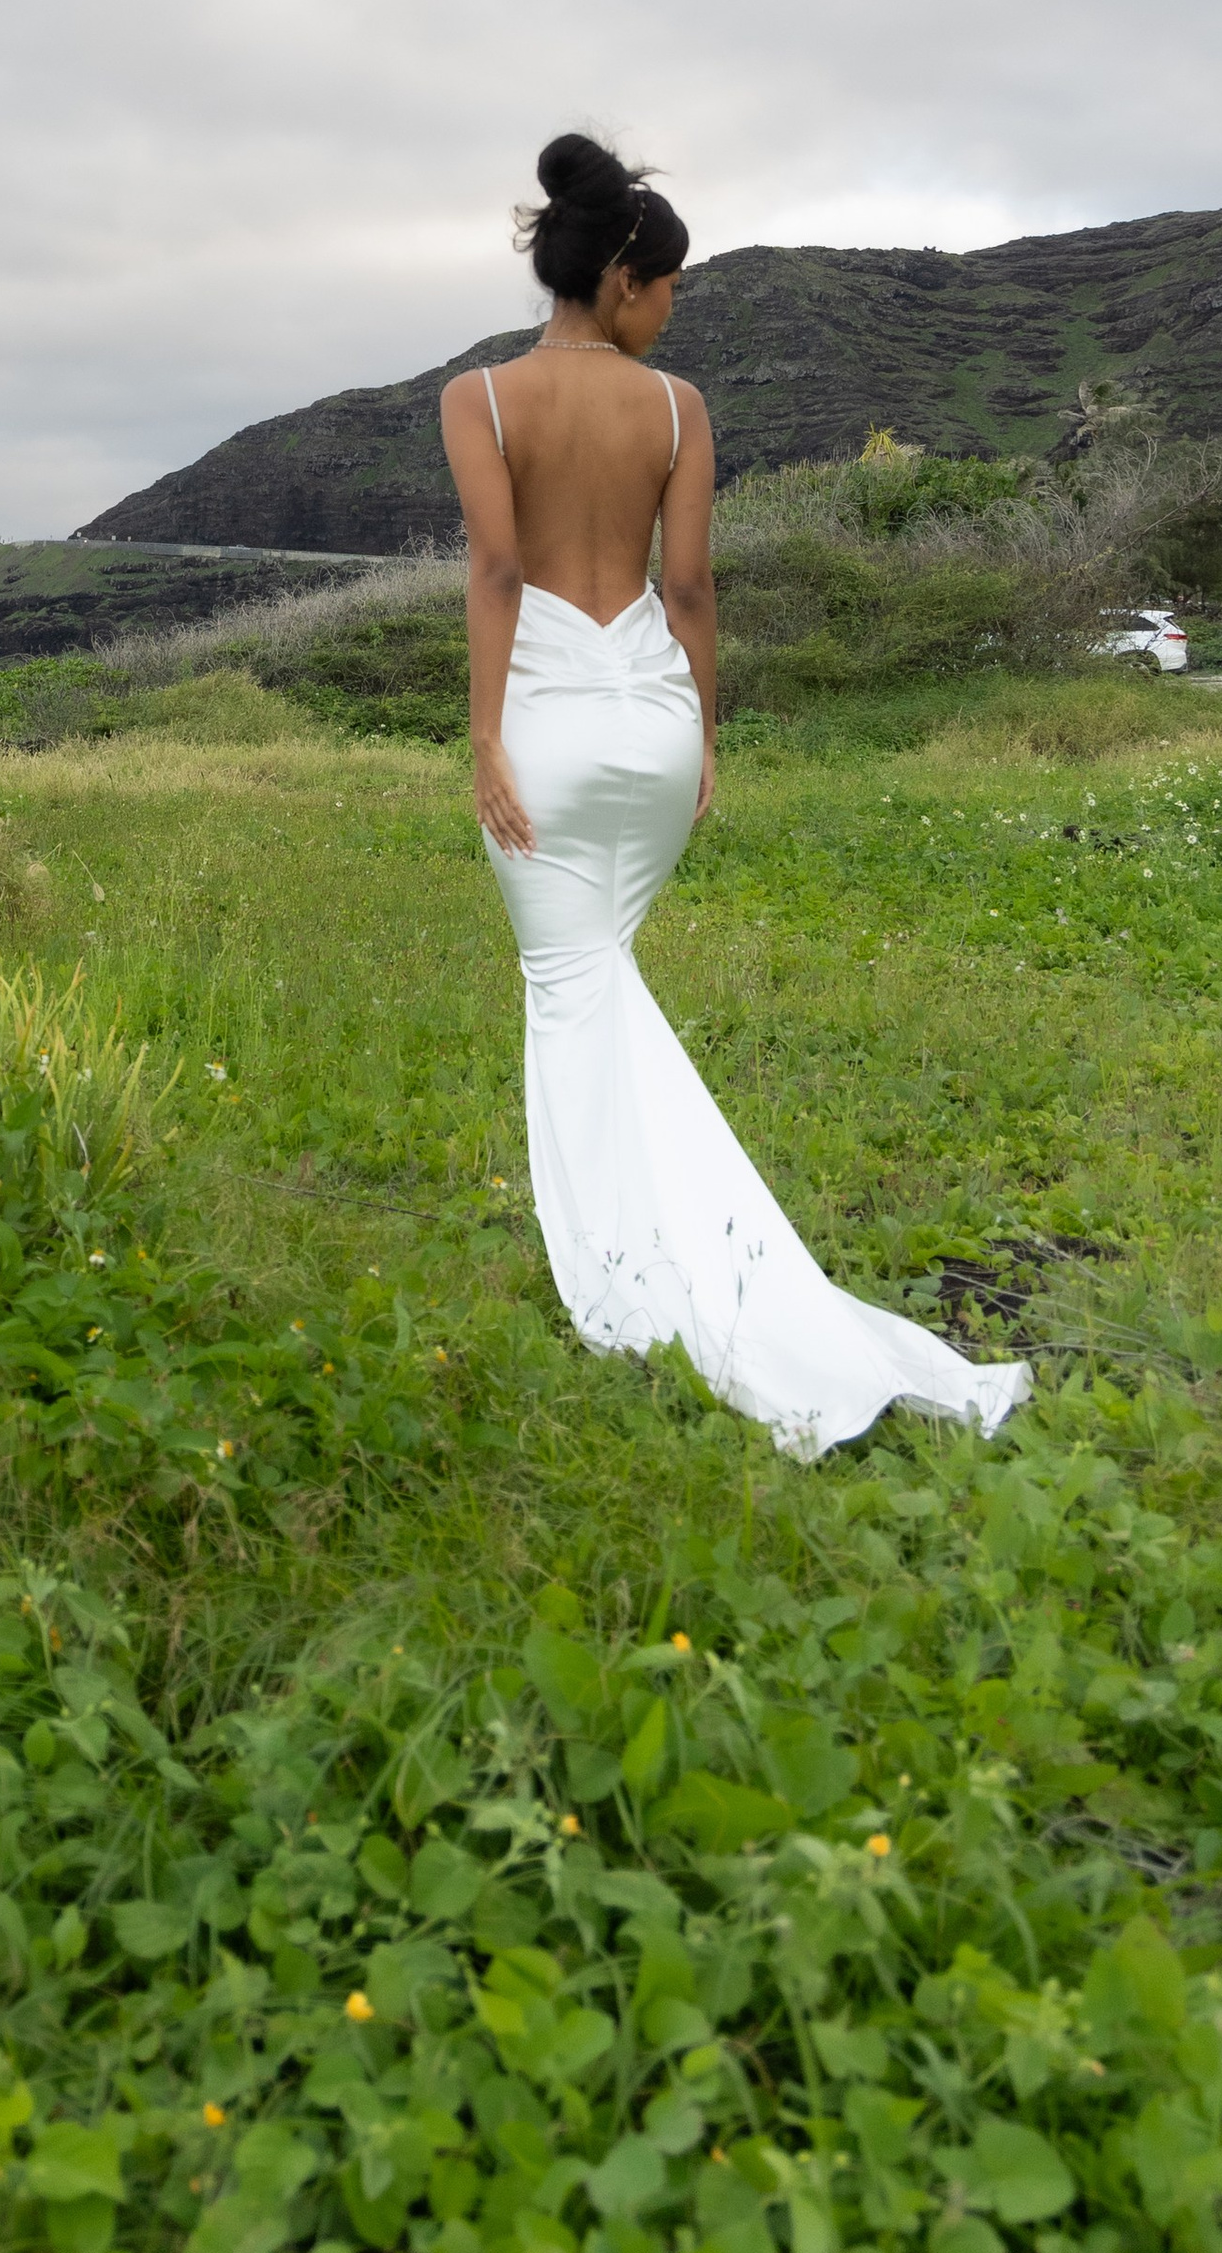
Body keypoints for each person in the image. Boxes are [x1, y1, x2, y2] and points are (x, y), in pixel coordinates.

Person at [440, 131, 1028, 1460]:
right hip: (651, 722)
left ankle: (643, 1274)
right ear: (621, 278)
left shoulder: (477, 399)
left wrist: (482, 742)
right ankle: (672, 1241)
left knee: (571, 985)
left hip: (544, 723)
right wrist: (704, 735)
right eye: (668, 287)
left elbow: (496, 575)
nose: (672, 309)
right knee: (600, 977)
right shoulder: (677, 410)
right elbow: (691, 587)